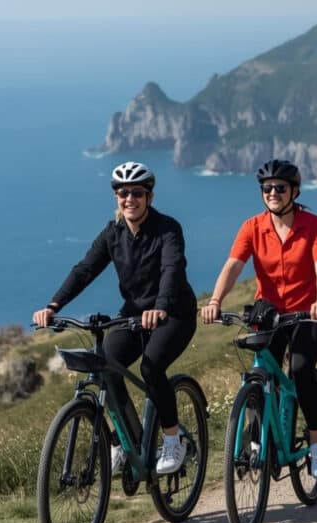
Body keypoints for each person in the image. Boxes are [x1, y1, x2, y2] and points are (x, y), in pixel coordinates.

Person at [32, 161, 198, 476]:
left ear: (149, 196)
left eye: (137, 193)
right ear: (116, 197)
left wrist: (161, 306)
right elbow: (85, 270)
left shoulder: (167, 229)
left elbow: (172, 269)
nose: (129, 199)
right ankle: (124, 442)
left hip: (174, 314)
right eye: (123, 193)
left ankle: (173, 439)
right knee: (105, 365)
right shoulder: (113, 233)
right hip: (134, 316)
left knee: (152, 367)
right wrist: (54, 304)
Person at [201, 159, 317, 478]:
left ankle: (316, 442)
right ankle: (256, 440)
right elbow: (234, 265)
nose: (273, 193)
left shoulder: (313, 225)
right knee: (259, 374)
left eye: (280, 188)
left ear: (294, 191)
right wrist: (216, 300)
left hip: (307, 314)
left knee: (300, 370)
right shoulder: (252, 227)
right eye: (267, 188)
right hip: (269, 313)